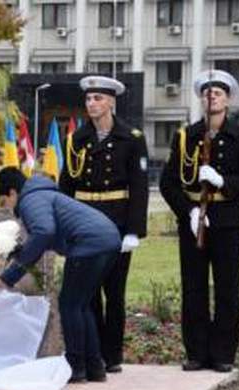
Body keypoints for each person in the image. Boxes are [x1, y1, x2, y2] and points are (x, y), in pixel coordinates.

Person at [159, 70, 239, 373]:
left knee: (226, 288)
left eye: (217, 93)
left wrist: (223, 181)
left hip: (227, 219)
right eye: (207, 93)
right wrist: (188, 211)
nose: (212, 97)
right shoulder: (185, 137)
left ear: (227, 99)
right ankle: (196, 353)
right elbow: (169, 183)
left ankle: (222, 354)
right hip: (194, 220)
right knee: (193, 288)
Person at [0, 168, 121, 383]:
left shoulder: (30, 200)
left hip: (89, 244)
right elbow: (46, 235)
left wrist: (7, 277)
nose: (7, 206)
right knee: (82, 305)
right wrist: (20, 252)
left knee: (70, 305)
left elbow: (44, 232)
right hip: (107, 240)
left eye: (5, 200)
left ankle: (75, 367)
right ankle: (94, 367)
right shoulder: (43, 193)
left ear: (13, 192)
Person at [58, 76, 149, 373]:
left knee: (115, 293)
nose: (92, 104)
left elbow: (139, 186)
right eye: (88, 99)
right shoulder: (77, 139)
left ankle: (113, 356)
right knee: (88, 293)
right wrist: (63, 227)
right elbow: (66, 186)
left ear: (111, 102)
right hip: (85, 219)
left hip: (117, 219)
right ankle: (92, 354)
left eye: (98, 98)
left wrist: (134, 230)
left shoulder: (131, 137)